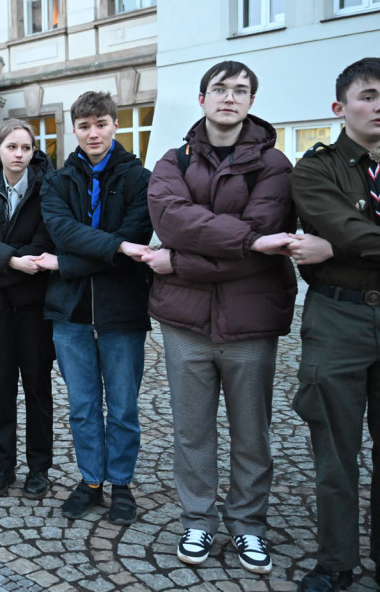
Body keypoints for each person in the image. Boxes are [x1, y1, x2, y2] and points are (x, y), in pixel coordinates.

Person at [143, 61, 296, 574]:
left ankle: (249, 525)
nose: (229, 97)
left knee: (252, 432)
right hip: (185, 323)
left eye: (241, 90)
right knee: (191, 431)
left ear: (251, 100)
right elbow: (171, 220)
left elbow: (261, 237)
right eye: (220, 89)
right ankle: (198, 520)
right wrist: (243, 240)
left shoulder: (273, 165)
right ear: (202, 97)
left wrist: (180, 260)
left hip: (250, 322)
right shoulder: (172, 161)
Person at [288, 57, 380, 592]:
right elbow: (352, 232)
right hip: (337, 317)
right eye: (370, 96)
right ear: (340, 107)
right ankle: (336, 562)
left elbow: (352, 239)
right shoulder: (314, 169)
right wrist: (346, 241)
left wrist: (342, 244)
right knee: (335, 453)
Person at [38, 92, 153, 524]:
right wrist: (118, 246)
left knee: (123, 407)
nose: (93, 133)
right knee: (83, 406)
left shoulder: (140, 178)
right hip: (69, 314)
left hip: (122, 310)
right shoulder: (57, 180)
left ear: (115, 126)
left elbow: (136, 237)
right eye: (85, 125)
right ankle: (90, 481)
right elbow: (62, 231)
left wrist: (67, 263)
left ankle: (121, 483)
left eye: (101, 123)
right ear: (74, 129)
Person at [0, 119, 56, 499]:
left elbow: (45, 239)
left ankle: (39, 467)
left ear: (33, 152)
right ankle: (1, 466)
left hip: (35, 308)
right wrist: (16, 263)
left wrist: (1, 267)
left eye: (26, 148)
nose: (19, 154)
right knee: (0, 388)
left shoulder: (49, 188)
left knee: (37, 389)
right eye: (12, 147)